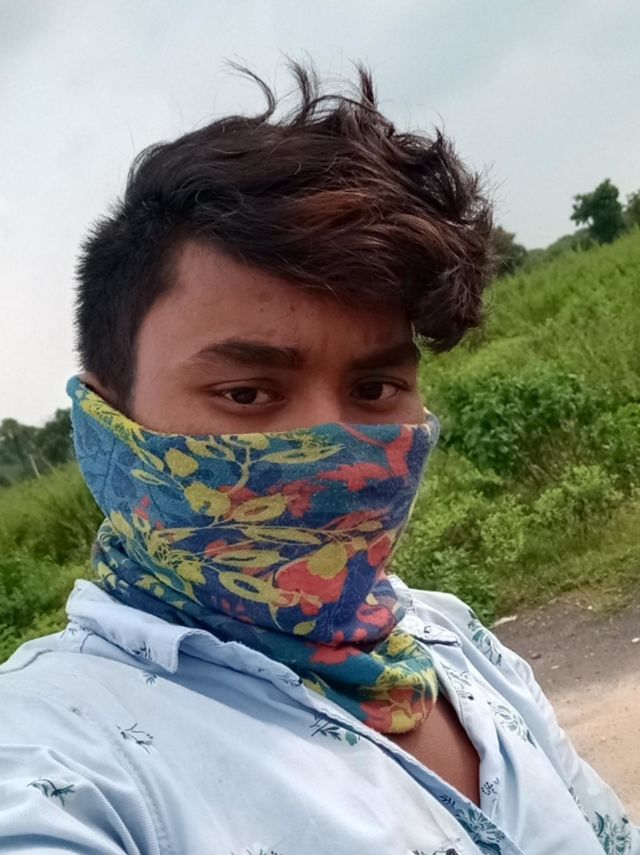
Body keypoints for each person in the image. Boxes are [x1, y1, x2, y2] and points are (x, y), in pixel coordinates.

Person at [0, 60, 636, 855]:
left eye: (374, 387)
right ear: (105, 420)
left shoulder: (453, 641)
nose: (334, 449)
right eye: (246, 392)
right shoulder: (59, 756)